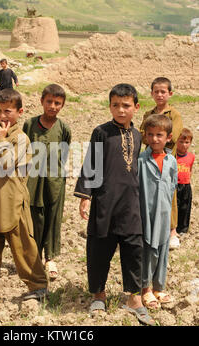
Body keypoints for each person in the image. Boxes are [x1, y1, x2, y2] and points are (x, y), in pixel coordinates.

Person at [74, 83, 155, 326]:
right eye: (115, 105)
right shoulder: (101, 132)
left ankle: (133, 298)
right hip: (105, 200)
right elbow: (92, 164)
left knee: (133, 249)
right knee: (99, 248)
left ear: (136, 107)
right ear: (110, 106)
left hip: (130, 202)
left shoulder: (138, 135)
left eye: (126, 106)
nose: (121, 110)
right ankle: (99, 294)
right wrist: (85, 196)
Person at [0, 89, 48, 309]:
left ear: (19, 112)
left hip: (12, 200)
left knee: (22, 243)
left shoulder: (20, 138)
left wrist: (0, 141)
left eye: (9, 111)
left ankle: (38, 286)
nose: (3, 116)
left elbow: (5, 165)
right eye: (0, 111)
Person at [23, 84, 71, 280]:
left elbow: (64, 151)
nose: (53, 106)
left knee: (52, 218)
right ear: (42, 101)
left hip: (55, 180)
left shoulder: (63, 128)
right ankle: (34, 255)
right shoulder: (29, 124)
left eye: (57, 103)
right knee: (34, 217)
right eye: (49, 101)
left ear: (62, 105)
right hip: (32, 180)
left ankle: (50, 257)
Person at [138, 114, 177, 309]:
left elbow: (172, 187)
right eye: (150, 134)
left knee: (162, 250)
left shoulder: (171, 161)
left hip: (164, 214)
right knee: (147, 250)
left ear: (168, 137)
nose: (154, 139)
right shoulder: (142, 160)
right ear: (145, 136)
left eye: (159, 135)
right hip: (146, 214)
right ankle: (145, 289)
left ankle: (158, 287)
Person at [140, 77, 183, 250]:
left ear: (170, 94)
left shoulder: (174, 115)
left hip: (166, 161)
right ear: (151, 93)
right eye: (156, 91)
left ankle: (172, 231)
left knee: (169, 194)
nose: (159, 95)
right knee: (149, 192)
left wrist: (158, 142)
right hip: (149, 160)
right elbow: (142, 134)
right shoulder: (148, 114)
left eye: (163, 91)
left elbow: (175, 135)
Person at [176, 128, 195, 234]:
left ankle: (183, 228)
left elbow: (190, 170)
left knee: (185, 207)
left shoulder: (191, 156)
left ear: (190, 143)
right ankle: (173, 227)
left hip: (186, 185)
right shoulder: (172, 156)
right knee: (175, 207)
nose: (184, 145)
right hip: (175, 185)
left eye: (187, 142)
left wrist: (188, 181)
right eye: (181, 142)